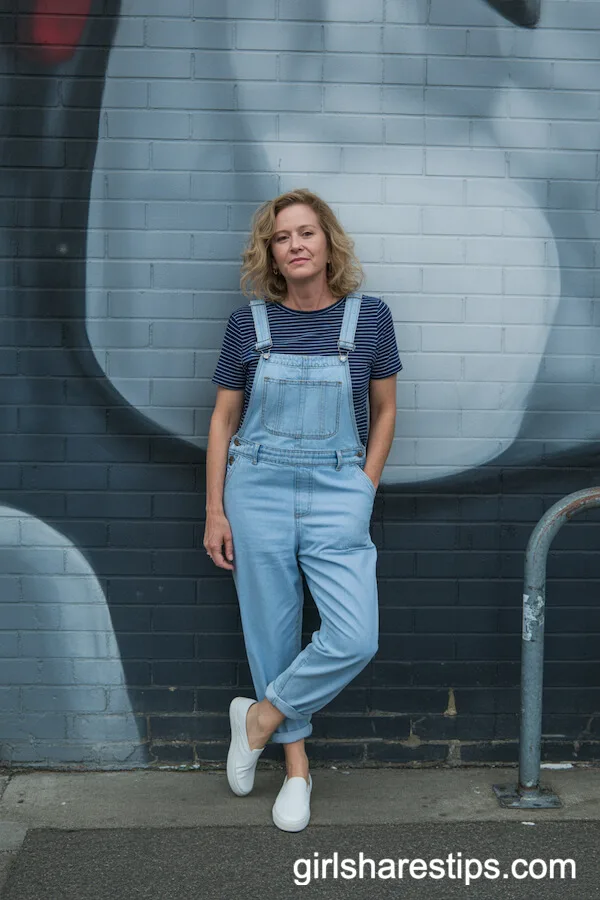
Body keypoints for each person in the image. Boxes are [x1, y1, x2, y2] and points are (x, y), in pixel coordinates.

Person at [204, 188, 402, 832]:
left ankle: (259, 717)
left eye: (306, 233)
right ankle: (296, 771)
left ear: (327, 243)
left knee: (354, 636)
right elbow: (223, 419)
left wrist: (364, 488)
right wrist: (215, 509)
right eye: (282, 237)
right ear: (271, 253)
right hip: (256, 489)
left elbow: (386, 410)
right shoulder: (249, 322)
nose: (295, 245)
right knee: (272, 633)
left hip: (338, 492)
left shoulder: (369, 319)